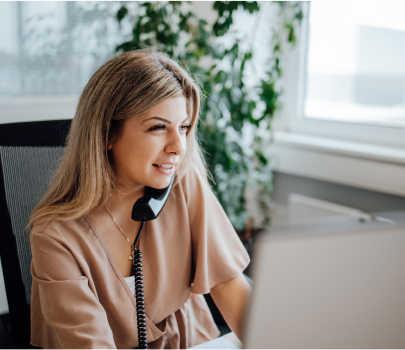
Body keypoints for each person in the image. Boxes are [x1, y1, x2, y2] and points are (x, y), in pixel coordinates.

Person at [28, 49, 252, 349]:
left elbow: (230, 286)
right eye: (158, 127)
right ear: (107, 133)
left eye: (183, 128)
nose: (178, 147)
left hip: (192, 339)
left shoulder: (184, 185)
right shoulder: (55, 237)